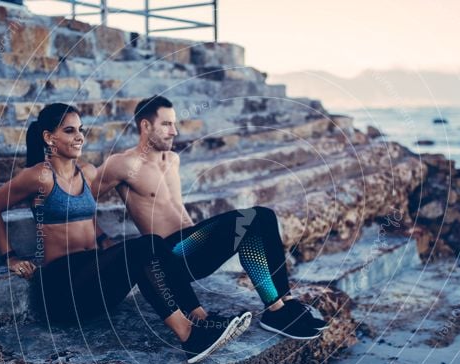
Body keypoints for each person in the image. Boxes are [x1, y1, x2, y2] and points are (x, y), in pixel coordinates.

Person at [0, 103, 250, 364]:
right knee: (140, 249)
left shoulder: (86, 172)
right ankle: (190, 337)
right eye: (69, 131)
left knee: (153, 243)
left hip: (91, 276)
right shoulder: (38, 176)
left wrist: (101, 239)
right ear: (48, 137)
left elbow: (81, 216)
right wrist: (11, 257)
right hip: (61, 287)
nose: (79, 137)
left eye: (81, 130)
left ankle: (201, 319)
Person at [92, 96, 328, 340]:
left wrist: (205, 237)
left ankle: (282, 304)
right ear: (145, 126)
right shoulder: (122, 164)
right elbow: (80, 199)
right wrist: (100, 237)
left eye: (174, 123)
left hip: (193, 247)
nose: (174, 131)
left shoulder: (172, 160)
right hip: (169, 255)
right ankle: (276, 311)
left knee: (260, 221)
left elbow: (178, 208)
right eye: (166, 124)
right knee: (255, 216)